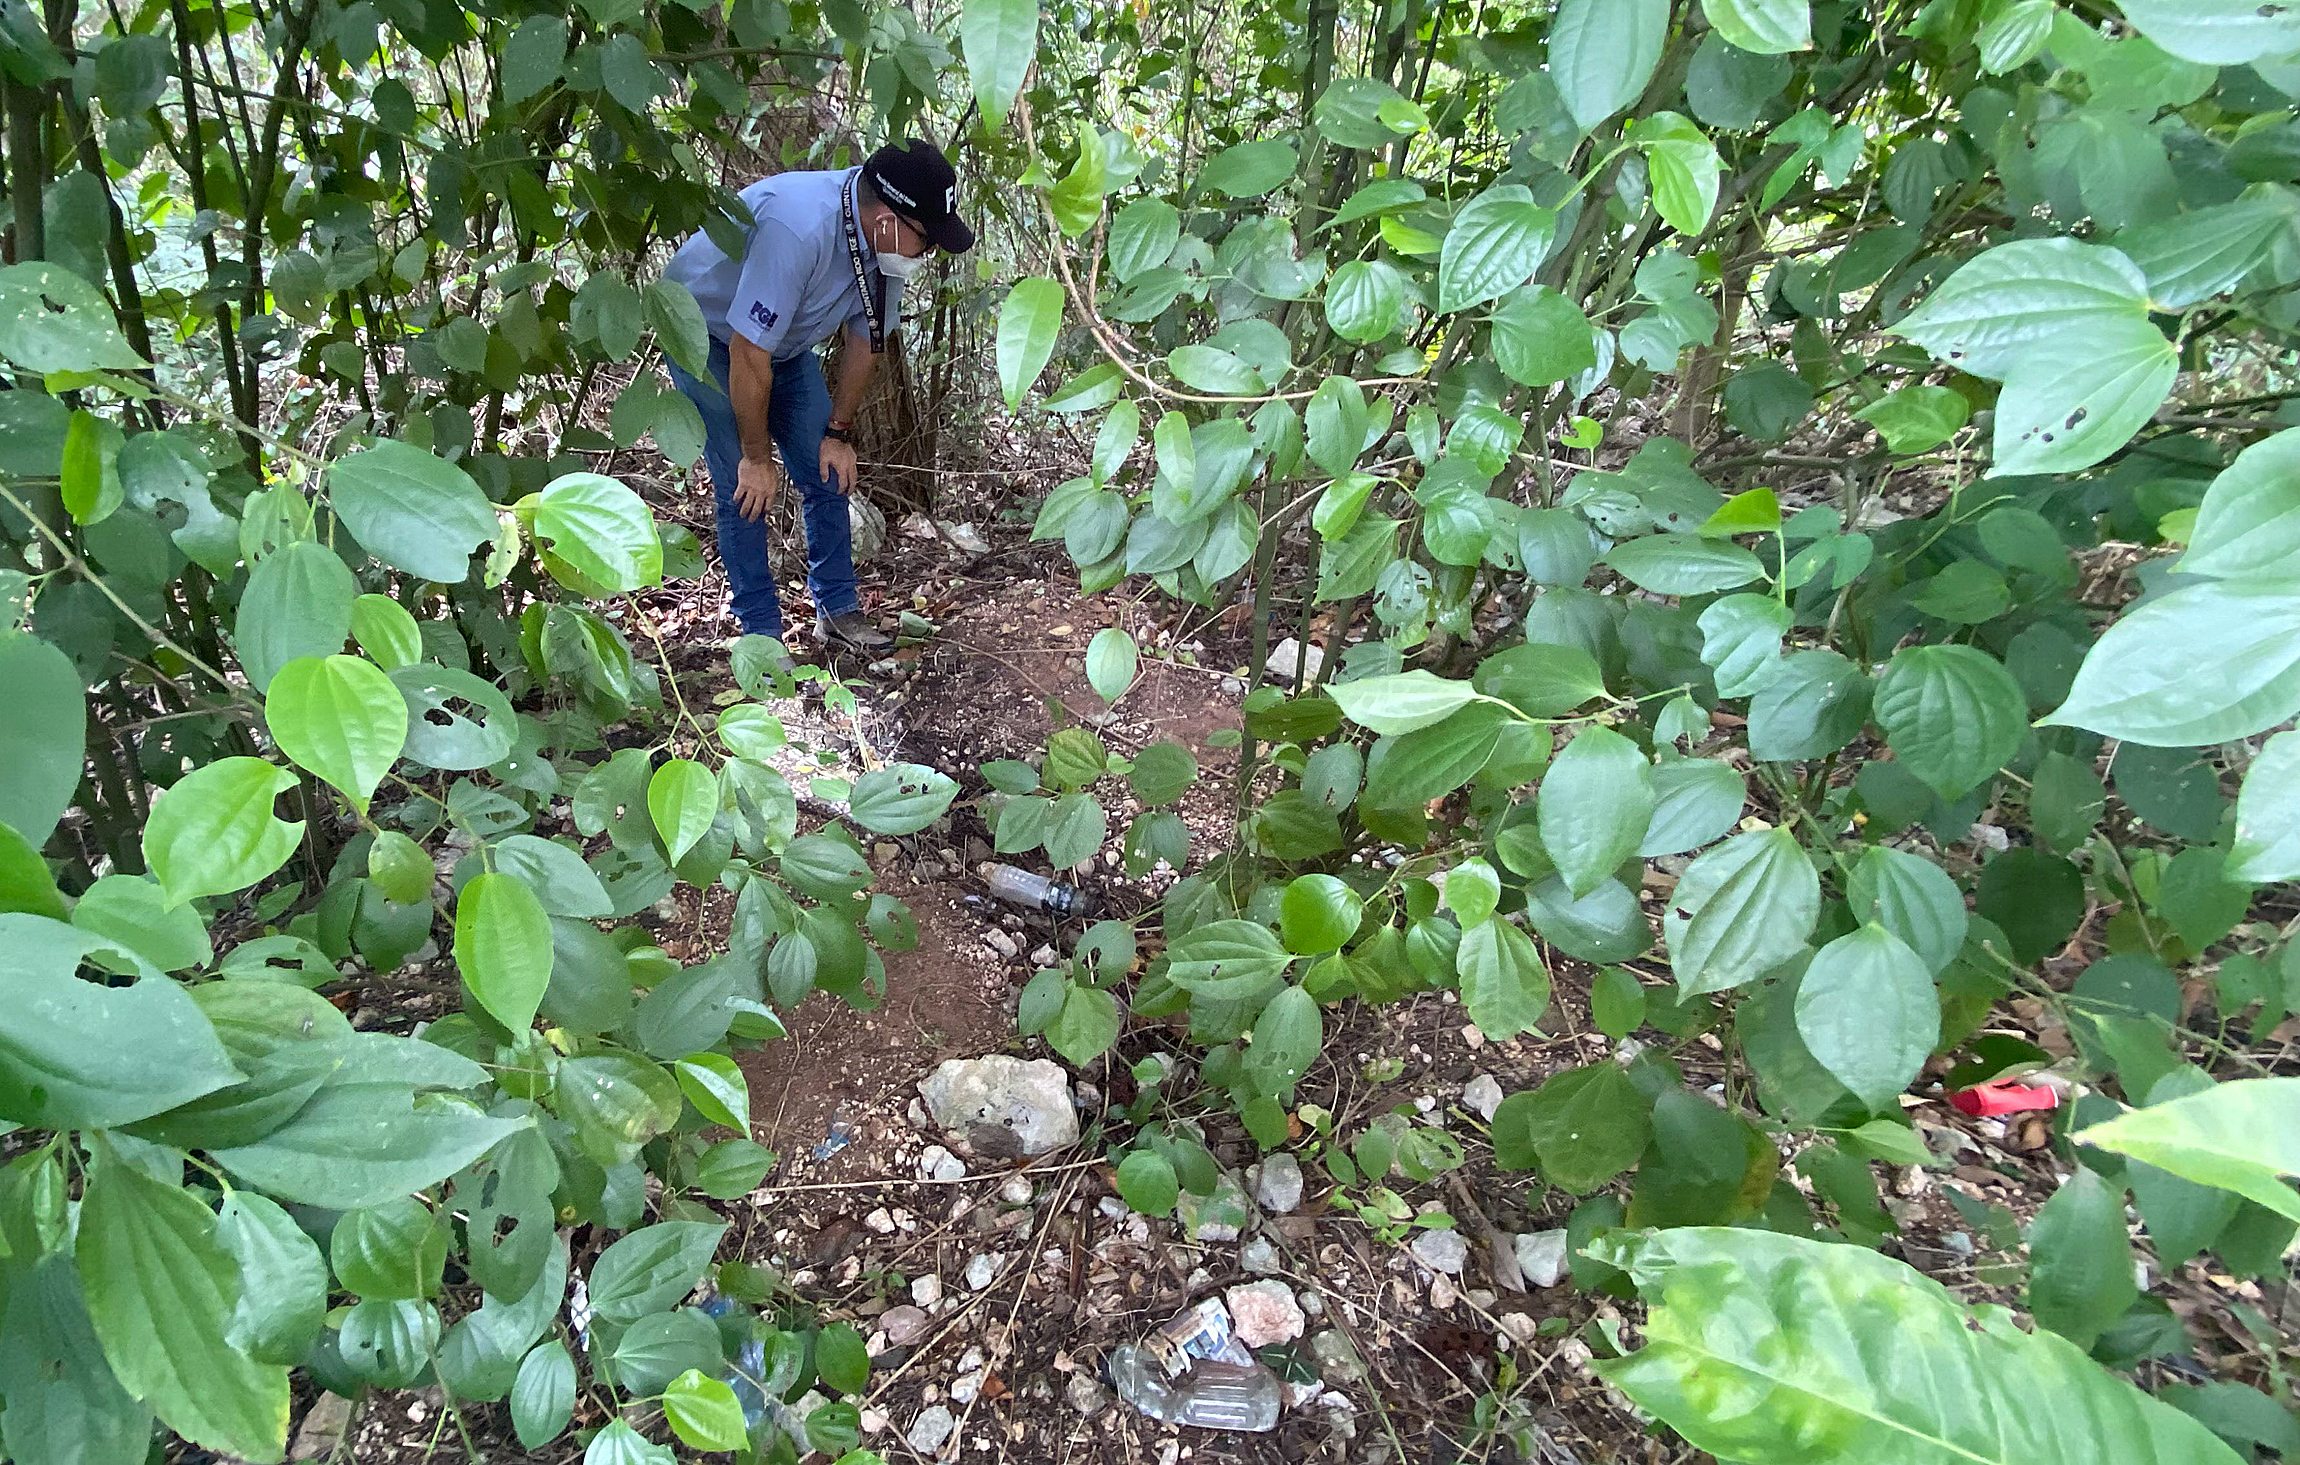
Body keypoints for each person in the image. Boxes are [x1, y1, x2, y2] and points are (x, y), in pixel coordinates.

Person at [661, 138, 976, 657]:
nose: (929, 253)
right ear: (887, 221)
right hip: (707, 334)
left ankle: (837, 611)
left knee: (830, 470)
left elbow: (867, 339)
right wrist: (758, 458)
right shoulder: (799, 227)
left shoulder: (883, 248)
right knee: (745, 486)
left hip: (780, 348)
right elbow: (747, 351)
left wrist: (839, 433)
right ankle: (760, 636)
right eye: (926, 240)